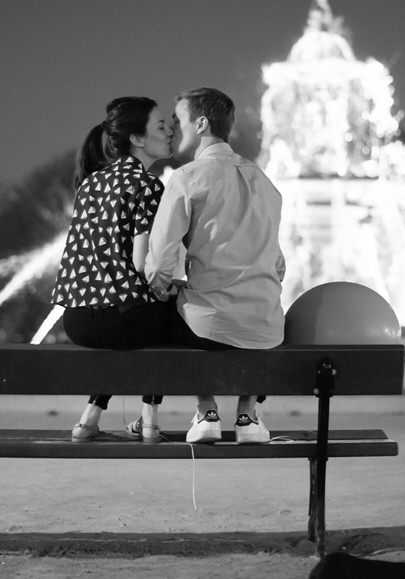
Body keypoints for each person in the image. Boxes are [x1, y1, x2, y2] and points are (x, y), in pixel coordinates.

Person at [145, 87, 286, 444]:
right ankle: (248, 414)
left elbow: (161, 258)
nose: (173, 128)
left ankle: (206, 409)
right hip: (265, 326)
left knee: (172, 312)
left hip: (208, 326)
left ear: (202, 123)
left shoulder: (188, 178)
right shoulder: (266, 184)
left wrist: (162, 287)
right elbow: (279, 264)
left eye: (179, 119)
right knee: (249, 316)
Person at [51, 96, 174, 443]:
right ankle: (149, 417)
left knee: (138, 316)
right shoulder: (148, 186)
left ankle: (90, 416)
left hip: (77, 321)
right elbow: (141, 263)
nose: (169, 132)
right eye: (161, 126)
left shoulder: (90, 183)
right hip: (121, 322)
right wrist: (170, 287)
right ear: (137, 138)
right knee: (171, 317)